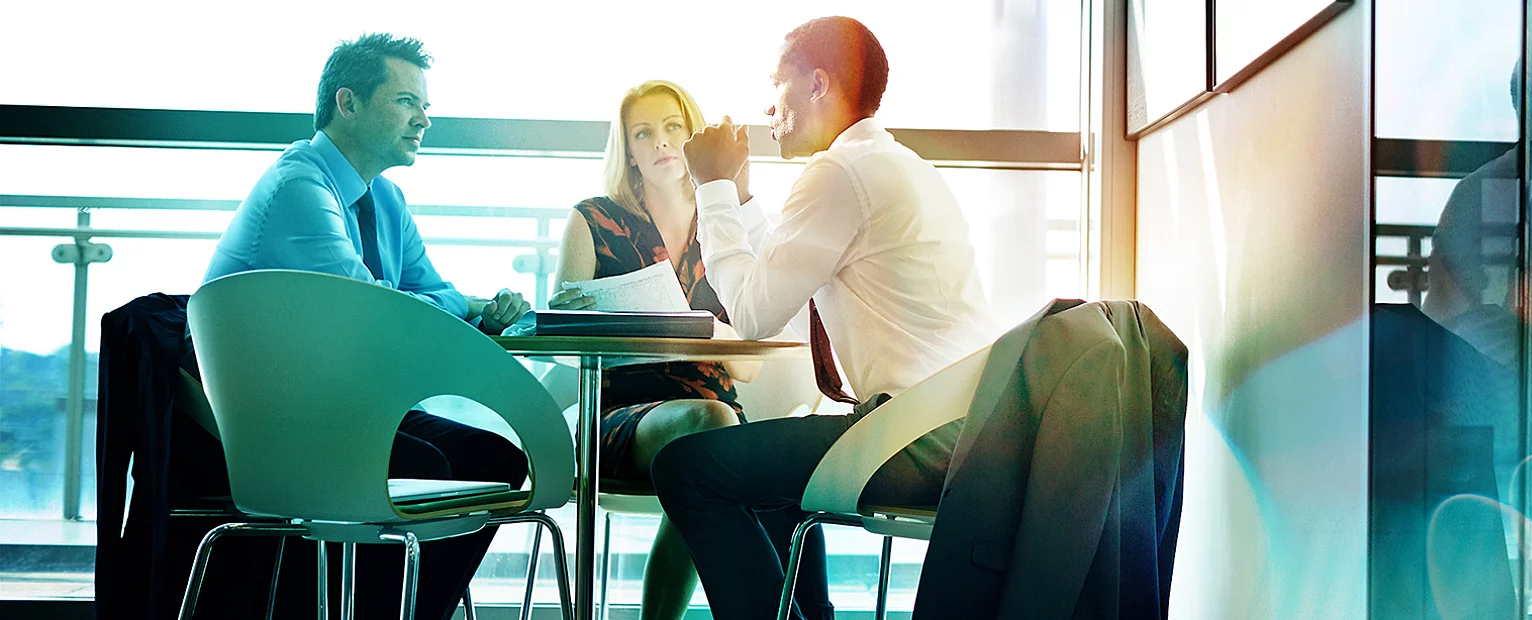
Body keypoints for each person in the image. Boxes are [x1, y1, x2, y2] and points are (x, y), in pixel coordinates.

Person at [653, 16, 997, 620]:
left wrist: (711, 188)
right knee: (767, 470)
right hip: (960, 432)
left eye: (776, 82)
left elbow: (755, 312)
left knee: (686, 470)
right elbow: (780, 271)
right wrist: (738, 193)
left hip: (912, 440)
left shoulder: (840, 173)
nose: (768, 104)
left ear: (816, 84)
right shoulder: (893, 165)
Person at [203, 33, 529, 620]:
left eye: (425, 105)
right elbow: (372, 311)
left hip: (350, 410)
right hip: (276, 423)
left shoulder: (386, 200)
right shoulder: (299, 188)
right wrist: (459, 310)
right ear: (347, 103)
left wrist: (481, 306)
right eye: (407, 101)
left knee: (498, 463)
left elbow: (428, 292)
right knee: (424, 470)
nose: (424, 119)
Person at [548, 79, 770, 620]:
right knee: (712, 439)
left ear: (693, 136)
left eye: (673, 128)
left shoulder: (727, 226)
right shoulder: (594, 220)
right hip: (615, 415)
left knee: (711, 436)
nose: (661, 143)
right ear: (627, 151)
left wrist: (705, 332)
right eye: (642, 134)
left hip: (711, 414)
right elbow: (559, 343)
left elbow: (749, 370)